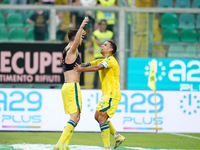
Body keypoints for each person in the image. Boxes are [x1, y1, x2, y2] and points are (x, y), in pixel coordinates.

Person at [74, 40, 125, 150]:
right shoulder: (102, 60)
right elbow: (87, 64)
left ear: (111, 50)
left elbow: (97, 67)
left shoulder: (110, 61)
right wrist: (72, 63)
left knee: (102, 117)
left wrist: (81, 69)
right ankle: (118, 136)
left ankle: (107, 148)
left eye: (105, 45)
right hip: (107, 94)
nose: (102, 45)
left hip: (112, 94)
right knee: (97, 117)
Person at [53, 16, 88, 150]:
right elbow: (75, 42)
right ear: (76, 37)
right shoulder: (72, 49)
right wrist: (81, 26)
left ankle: (64, 144)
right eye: (81, 37)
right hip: (72, 86)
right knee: (75, 116)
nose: (82, 39)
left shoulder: (66, 49)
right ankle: (60, 144)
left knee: (75, 116)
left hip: (67, 86)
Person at [91, 19, 114, 89]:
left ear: (106, 25)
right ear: (99, 25)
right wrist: (107, 44)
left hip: (107, 56)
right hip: (98, 54)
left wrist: (103, 44)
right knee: (97, 71)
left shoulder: (110, 33)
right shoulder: (96, 33)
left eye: (104, 24)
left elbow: (111, 43)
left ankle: (107, 86)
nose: (103, 26)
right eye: (102, 24)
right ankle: (95, 86)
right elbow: (97, 43)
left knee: (107, 72)